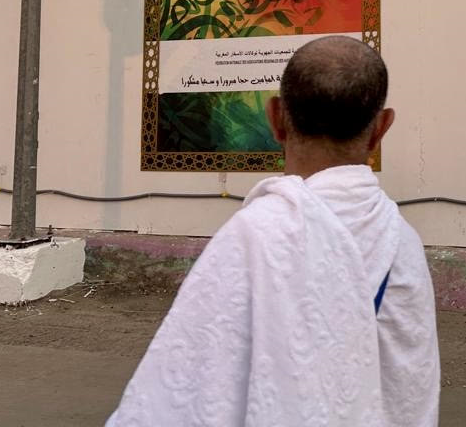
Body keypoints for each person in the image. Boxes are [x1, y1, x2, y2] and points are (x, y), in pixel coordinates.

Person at [106, 36, 440, 427]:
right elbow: (409, 395)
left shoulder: (253, 237)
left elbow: (176, 394)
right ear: (381, 128)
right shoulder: (403, 244)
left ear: (276, 118)